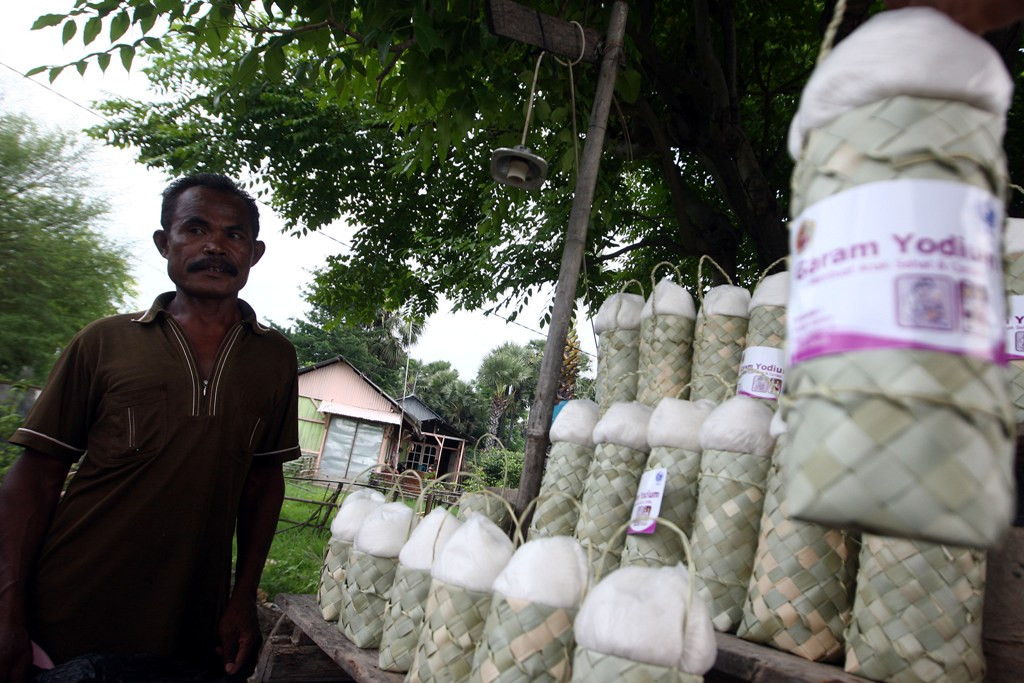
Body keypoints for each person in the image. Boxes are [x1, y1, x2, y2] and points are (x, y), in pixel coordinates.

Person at [0, 173, 300, 682]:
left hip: (187, 628)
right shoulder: (104, 342)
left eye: (235, 235)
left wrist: (242, 597)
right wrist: (6, 607)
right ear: (165, 242)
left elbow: (262, 483)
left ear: (255, 253)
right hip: (66, 612)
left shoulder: (274, 358)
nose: (215, 246)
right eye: (195, 229)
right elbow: (34, 479)